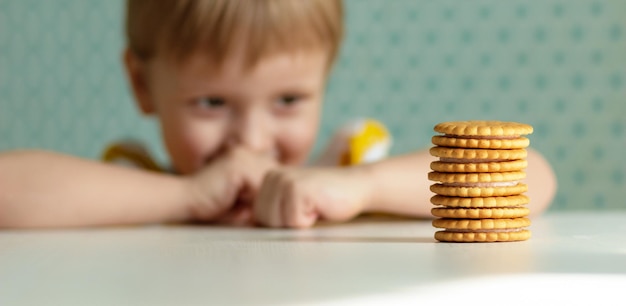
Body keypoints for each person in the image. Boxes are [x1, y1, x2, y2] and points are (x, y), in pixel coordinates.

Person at [0, 0, 557, 229]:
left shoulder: (344, 170)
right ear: (142, 85)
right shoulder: (134, 186)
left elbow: (531, 176)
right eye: (211, 103)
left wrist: (362, 187)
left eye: (288, 100)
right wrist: (185, 198)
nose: (253, 138)